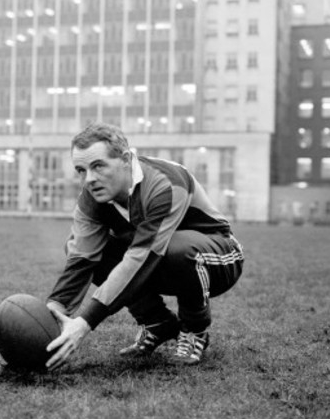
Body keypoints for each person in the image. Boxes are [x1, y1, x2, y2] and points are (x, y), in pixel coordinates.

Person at [45, 122, 244, 371]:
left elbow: (141, 258)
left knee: (178, 250)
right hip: (157, 261)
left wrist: (84, 323)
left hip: (218, 257)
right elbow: (82, 258)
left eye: (98, 166)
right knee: (93, 252)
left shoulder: (165, 183)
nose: (89, 179)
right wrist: (54, 309)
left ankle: (195, 330)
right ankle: (158, 324)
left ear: (126, 159)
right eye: (81, 170)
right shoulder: (91, 199)